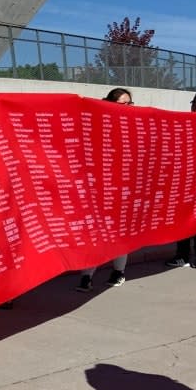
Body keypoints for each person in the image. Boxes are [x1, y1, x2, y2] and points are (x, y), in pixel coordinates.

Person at [76, 87, 134, 291]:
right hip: (98, 190)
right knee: (95, 234)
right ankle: (87, 275)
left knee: (119, 233)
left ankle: (118, 272)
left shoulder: (135, 126)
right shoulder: (97, 124)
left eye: (130, 104)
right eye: (122, 104)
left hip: (123, 190)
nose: (127, 108)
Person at [165, 90, 196, 269]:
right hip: (183, 182)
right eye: (194, 104)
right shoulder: (184, 122)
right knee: (182, 219)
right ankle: (182, 255)